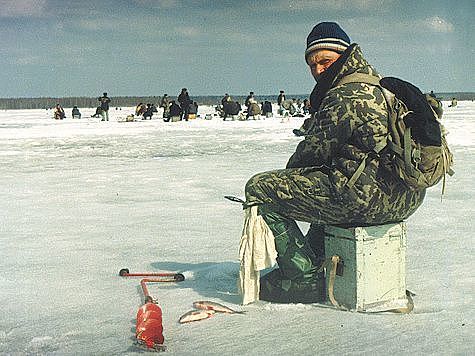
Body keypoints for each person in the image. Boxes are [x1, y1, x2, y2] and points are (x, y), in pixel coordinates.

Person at [239, 22, 426, 304]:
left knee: (260, 187)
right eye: (312, 65)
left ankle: (305, 279)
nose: (318, 70)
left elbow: (311, 155)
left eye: (325, 61)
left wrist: (287, 183)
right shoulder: (381, 86)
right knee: (328, 184)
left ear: (344, 55)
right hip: (405, 199)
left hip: (365, 202)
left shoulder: (344, 94)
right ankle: (319, 256)